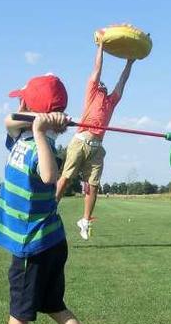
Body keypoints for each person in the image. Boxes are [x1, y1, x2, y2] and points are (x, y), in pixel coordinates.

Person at [0, 74, 111, 324]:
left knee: (19, 311)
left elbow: (49, 175)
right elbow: (9, 119)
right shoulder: (17, 136)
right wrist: (43, 121)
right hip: (50, 242)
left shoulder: (39, 148)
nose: (17, 104)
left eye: (22, 100)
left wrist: (43, 131)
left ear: (29, 104)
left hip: (33, 247)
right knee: (55, 306)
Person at [55, 42, 135, 240]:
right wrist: (100, 47)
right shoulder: (91, 93)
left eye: (103, 85)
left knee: (93, 185)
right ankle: (49, 210)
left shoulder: (111, 101)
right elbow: (97, 69)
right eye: (100, 83)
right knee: (65, 178)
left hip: (97, 148)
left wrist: (129, 63)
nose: (102, 84)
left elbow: (122, 82)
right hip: (81, 141)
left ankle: (85, 220)